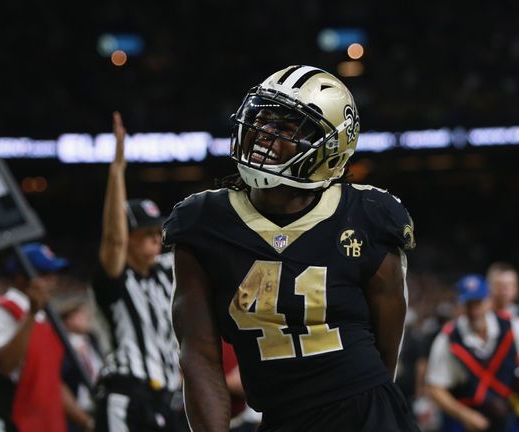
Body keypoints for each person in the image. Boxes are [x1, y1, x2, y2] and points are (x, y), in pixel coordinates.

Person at [165, 65, 419, 431]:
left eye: (285, 128)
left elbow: (385, 354)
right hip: (281, 417)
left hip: (365, 413)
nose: (262, 135)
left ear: (330, 149)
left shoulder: (369, 215)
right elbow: (199, 357)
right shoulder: (203, 222)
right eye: (261, 119)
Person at [91, 112, 185, 431]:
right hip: (126, 395)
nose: (155, 240)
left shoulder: (164, 272)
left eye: (156, 232)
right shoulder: (115, 277)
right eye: (145, 234)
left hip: (168, 398)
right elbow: (113, 240)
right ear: (129, 239)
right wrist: (117, 171)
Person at [0, 243, 93, 432]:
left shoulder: (44, 318)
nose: (53, 281)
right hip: (9, 422)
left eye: (54, 275)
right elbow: (4, 365)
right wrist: (31, 313)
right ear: (21, 278)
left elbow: (53, 383)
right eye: (45, 274)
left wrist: (87, 422)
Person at [425, 275, 519, 432]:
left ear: (489, 301)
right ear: (460, 305)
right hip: (466, 418)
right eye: (468, 304)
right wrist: (465, 415)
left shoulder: (511, 325)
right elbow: (435, 387)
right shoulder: (448, 338)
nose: (474, 310)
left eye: (478, 302)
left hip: (506, 414)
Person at [59, 298, 103, 432]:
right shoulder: (62, 344)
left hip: (99, 402)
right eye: (80, 315)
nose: (86, 318)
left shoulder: (92, 338)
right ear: (68, 320)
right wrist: (75, 356)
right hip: (77, 406)